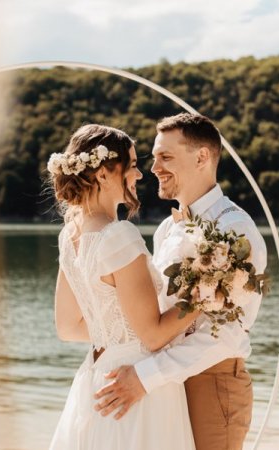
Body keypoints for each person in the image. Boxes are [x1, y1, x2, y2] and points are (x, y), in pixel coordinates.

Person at [93, 113, 267, 450]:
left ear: (202, 157)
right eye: (154, 157)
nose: (153, 168)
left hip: (209, 383)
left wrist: (145, 378)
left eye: (165, 157)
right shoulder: (167, 229)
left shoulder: (236, 232)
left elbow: (225, 335)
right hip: (165, 386)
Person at [47, 124, 198, 450]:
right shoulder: (118, 236)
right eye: (131, 165)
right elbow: (154, 336)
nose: (139, 175)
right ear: (103, 174)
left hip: (98, 376)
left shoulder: (70, 236)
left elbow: (68, 327)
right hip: (137, 383)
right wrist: (203, 296)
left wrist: (116, 333)